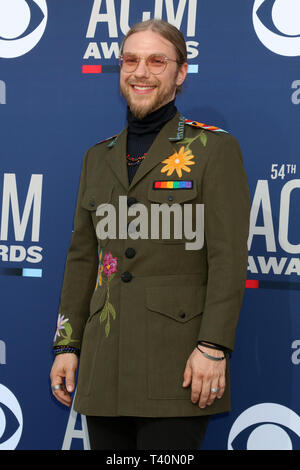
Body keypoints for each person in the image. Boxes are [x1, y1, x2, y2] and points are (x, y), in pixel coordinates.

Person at [50, 19, 250, 450]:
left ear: (180, 74)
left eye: (157, 60)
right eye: (131, 60)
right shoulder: (96, 157)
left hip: (178, 363)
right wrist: (67, 346)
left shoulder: (214, 150)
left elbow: (228, 258)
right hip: (105, 363)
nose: (141, 71)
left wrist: (213, 348)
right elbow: (83, 258)